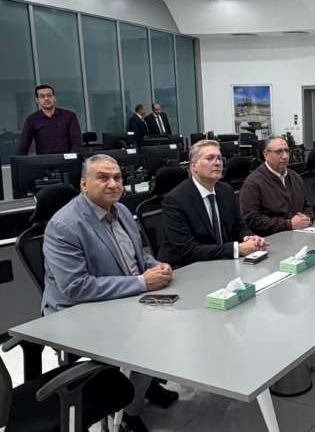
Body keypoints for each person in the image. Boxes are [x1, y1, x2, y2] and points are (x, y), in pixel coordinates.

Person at [41, 154, 175, 432]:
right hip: (78, 313)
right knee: (146, 348)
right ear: (83, 184)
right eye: (103, 177)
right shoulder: (64, 225)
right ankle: (126, 414)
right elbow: (76, 287)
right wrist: (142, 282)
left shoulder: (122, 210)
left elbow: (136, 256)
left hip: (124, 300)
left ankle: (140, 389)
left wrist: (154, 265)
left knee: (178, 325)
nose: (113, 184)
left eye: (117, 177)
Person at [158, 140, 268, 267]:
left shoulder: (226, 190)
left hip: (220, 262)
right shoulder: (175, 200)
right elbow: (188, 249)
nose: (217, 163)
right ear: (194, 165)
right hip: (186, 267)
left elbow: (239, 226)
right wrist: (236, 249)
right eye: (210, 158)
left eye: (220, 158)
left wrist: (249, 237)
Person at [239, 136, 315, 236]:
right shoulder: (253, 182)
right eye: (279, 152)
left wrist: (307, 218)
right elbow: (252, 220)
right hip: (272, 238)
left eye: (286, 151)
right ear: (266, 155)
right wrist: (288, 224)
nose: (285, 156)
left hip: (299, 234)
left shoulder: (295, 177)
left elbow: (307, 205)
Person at [16, 85, 82, 156]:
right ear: (37, 100)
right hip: (44, 159)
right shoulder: (32, 119)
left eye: (49, 95)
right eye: (42, 96)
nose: (46, 99)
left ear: (54, 98)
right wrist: (18, 161)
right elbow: (24, 143)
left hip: (66, 158)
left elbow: (76, 140)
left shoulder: (69, 116)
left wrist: (72, 158)